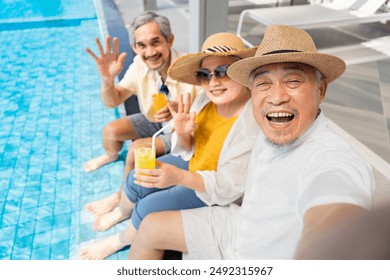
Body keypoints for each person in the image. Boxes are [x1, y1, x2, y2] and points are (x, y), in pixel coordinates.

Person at [126, 25, 376, 260]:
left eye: (293, 81)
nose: (277, 97)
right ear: (252, 90)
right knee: (149, 225)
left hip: (265, 252)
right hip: (240, 222)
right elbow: (196, 152)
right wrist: (181, 134)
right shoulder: (213, 106)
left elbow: (334, 204)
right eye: (263, 83)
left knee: (146, 208)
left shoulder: (331, 157)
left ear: (321, 90)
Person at [79, 32, 258, 260]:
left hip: (212, 187)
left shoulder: (251, 123)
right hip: (193, 163)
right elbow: (187, 148)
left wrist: (179, 178)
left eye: (224, 71)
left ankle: (120, 240)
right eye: (205, 75)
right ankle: (122, 211)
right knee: (135, 178)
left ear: (243, 71)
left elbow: (228, 188)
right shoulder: (205, 100)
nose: (213, 82)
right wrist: (183, 134)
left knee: (148, 207)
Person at [83, 11, 202, 215]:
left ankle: (121, 200)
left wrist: (177, 115)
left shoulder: (189, 71)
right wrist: (107, 80)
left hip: (179, 131)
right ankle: (111, 156)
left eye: (156, 42)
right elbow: (114, 101)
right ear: (134, 48)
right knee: (110, 131)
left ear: (169, 40)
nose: (150, 52)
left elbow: (201, 123)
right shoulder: (140, 64)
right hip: (152, 121)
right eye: (142, 46)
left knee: (136, 150)